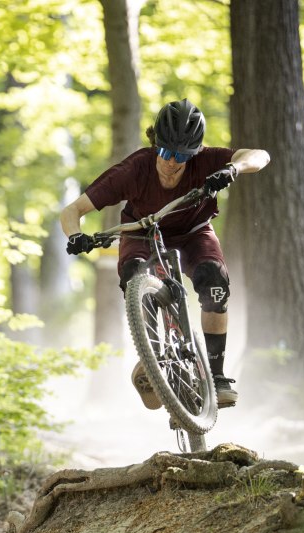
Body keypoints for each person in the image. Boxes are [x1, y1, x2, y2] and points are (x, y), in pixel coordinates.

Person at [60, 98, 269, 409]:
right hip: (141, 232)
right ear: (155, 143)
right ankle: (153, 358)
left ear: (195, 152)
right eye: (166, 152)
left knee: (214, 284)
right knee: (134, 277)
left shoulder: (207, 161)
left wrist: (233, 169)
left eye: (182, 156)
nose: (172, 162)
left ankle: (217, 374)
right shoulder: (133, 170)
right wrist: (76, 235)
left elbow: (260, 155)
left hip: (194, 232)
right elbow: (73, 209)